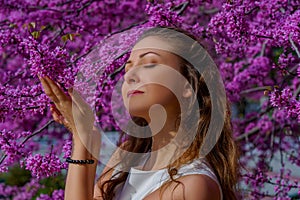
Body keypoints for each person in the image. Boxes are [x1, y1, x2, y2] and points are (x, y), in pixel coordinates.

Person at [39, 27, 240, 200]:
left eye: (150, 63)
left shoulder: (192, 186)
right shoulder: (126, 158)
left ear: (187, 84)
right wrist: (84, 138)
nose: (130, 76)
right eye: (128, 67)